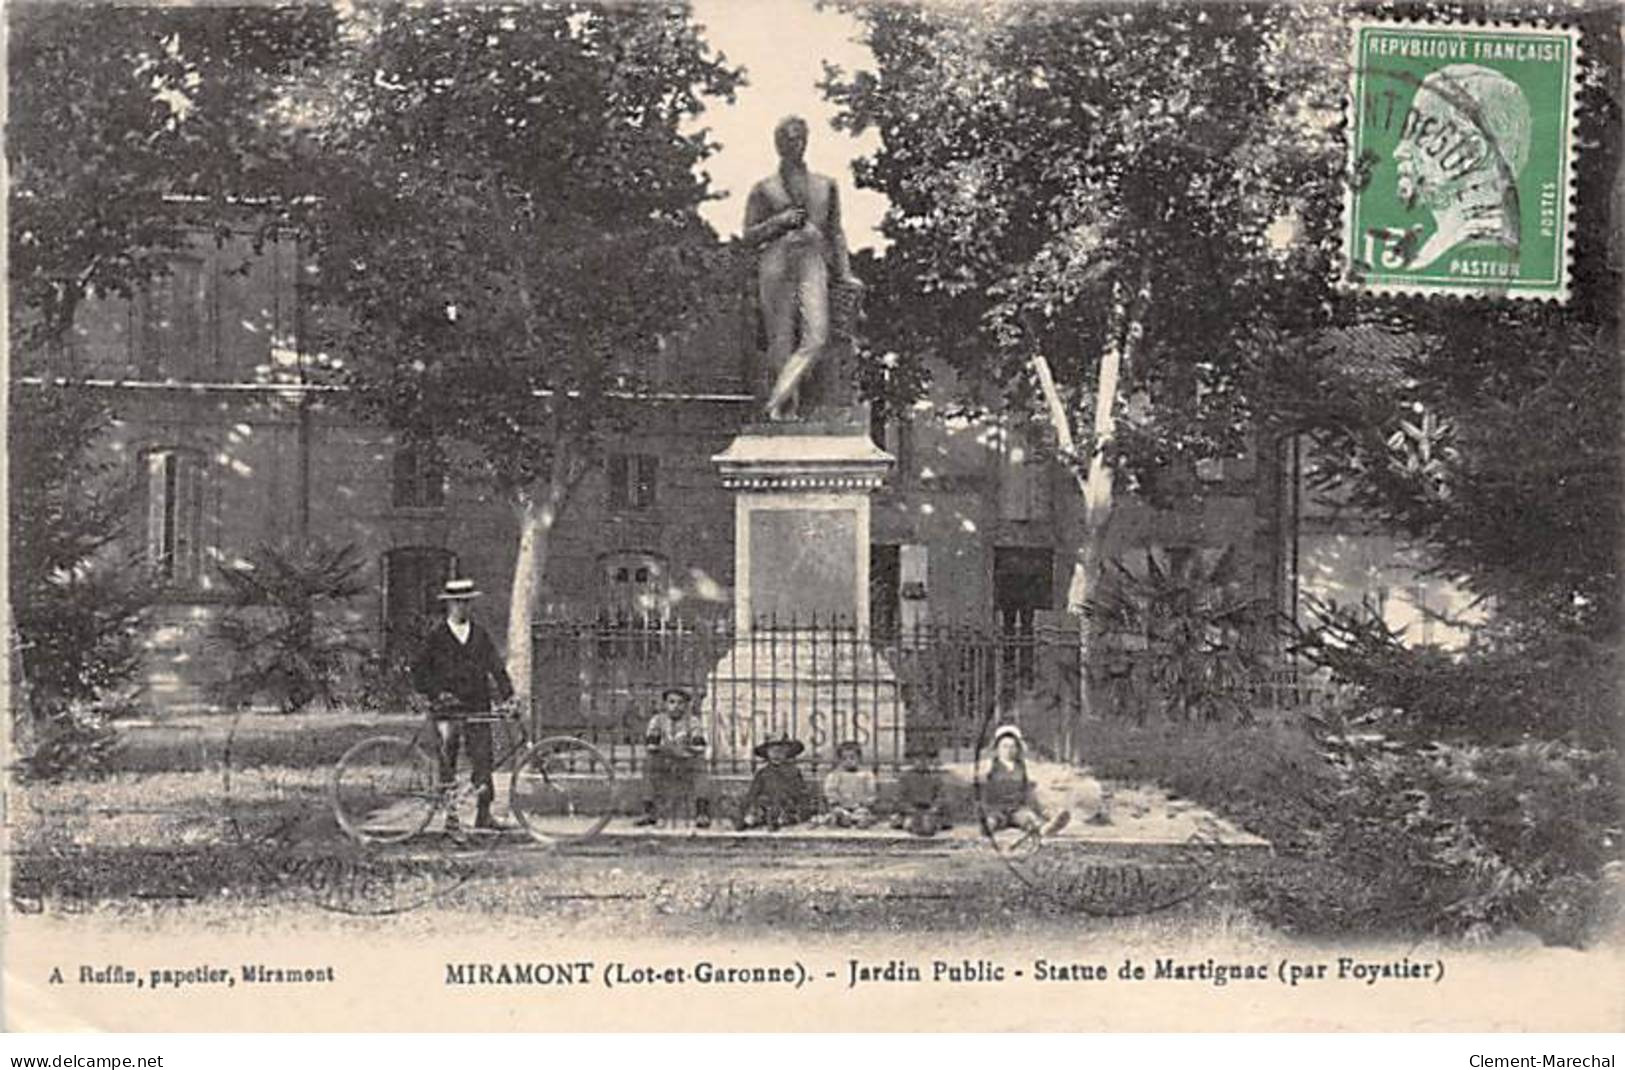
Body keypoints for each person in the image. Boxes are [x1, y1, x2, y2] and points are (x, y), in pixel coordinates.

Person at [742, 115, 863, 421]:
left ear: (806, 141)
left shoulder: (826, 186)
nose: (793, 144)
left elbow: (836, 231)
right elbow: (749, 235)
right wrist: (779, 222)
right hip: (775, 263)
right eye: (786, 138)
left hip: (813, 261)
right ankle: (786, 412)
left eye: (798, 138)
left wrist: (845, 273)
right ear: (777, 144)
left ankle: (774, 401)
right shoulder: (764, 189)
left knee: (817, 337)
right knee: (780, 341)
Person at [1385, 64, 1532, 271]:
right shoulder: (1442, 247)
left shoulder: (1479, 253)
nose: (1399, 151)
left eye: (1422, 133)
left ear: (1471, 153)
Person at [411, 577, 516, 837]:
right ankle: (451, 819)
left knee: (483, 757)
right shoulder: (436, 636)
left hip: (477, 704)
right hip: (448, 707)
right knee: (449, 759)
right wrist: (436, 693)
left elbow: (496, 667)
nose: (462, 607)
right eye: (457, 602)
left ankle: (484, 814)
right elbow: (419, 671)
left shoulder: (479, 634)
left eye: (466, 602)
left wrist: (508, 695)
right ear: (449, 605)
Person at [633, 686, 712, 829]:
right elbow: (651, 744)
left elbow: (699, 746)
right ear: (665, 704)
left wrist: (683, 748)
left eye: (680, 703)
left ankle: (702, 812)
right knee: (649, 763)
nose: (676, 707)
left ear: (686, 706)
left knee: (700, 765)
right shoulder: (657, 720)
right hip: (664, 761)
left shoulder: (692, 721)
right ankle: (648, 811)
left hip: (685, 762)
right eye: (672, 702)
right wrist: (668, 748)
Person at [981, 724, 1070, 838]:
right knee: (990, 823)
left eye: (1013, 746)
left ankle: (1045, 829)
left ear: (1018, 748)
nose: (1009, 750)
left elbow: (1038, 780)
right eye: (1005, 746)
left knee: (1029, 819)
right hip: (996, 809)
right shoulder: (990, 765)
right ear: (997, 748)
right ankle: (987, 828)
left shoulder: (1023, 766)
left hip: (1017, 809)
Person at [735, 735, 812, 830]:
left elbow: (802, 797)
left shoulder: (794, 773)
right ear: (767, 754)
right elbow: (751, 796)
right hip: (765, 814)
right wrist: (750, 813)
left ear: (787, 753)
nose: (776, 755)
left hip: (786, 814)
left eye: (780, 751)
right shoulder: (762, 774)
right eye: (772, 751)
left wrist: (797, 813)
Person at [892, 736, 952, 837]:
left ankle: (930, 824)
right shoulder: (906, 778)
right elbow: (899, 798)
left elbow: (941, 796)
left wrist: (934, 807)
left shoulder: (935, 777)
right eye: (919, 759)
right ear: (913, 760)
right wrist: (910, 809)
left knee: (934, 822)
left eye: (926, 759)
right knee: (905, 822)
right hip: (911, 810)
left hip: (930, 809)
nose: (923, 762)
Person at [819, 740, 879, 828]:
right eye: (844, 758)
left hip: (859, 807)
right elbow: (831, 792)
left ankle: (860, 820)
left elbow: (871, 792)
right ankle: (843, 819)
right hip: (841, 806)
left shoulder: (866, 775)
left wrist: (864, 803)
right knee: (837, 812)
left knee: (863, 814)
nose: (848, 761)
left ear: (859, 758)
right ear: (839, 760)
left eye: (852, 758)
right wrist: (836, 803)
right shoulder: (835, 775)